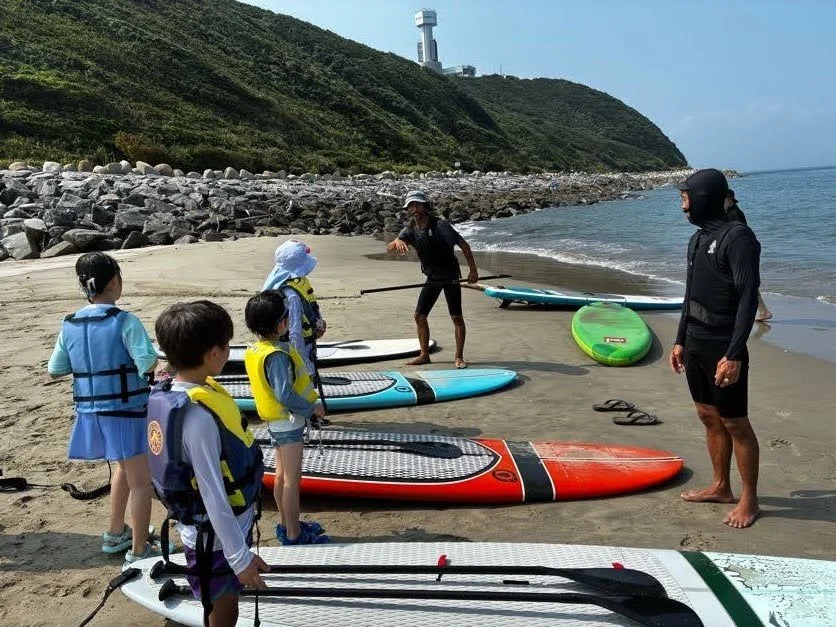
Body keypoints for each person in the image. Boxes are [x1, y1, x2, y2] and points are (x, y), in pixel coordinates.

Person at [149, 300, 268, 626]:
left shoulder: (186, 392)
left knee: (225, 603)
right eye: (227, 346)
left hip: (218, 537)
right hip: (212, 541)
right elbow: (215, 497)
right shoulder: (198, 418)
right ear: (214, 353)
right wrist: (239, 559)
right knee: (224, 612)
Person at [47, 252, 160, 561]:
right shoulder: (125, 320)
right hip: (127, 411)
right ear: (114, 282)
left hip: (90, 414)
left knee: (123, 467)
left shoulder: (69, 323)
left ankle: (115, 532)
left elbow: (55, 368)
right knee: (141, 482)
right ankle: (139, 549)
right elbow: (147, 361)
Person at [670, 169, 762, 529]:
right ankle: (721, 486)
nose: (683, 206)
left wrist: (735, 353)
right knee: (708, 415)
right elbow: (690, 294)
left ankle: (749, 500)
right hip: (695, 343)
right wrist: (679, 339)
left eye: (685, 197)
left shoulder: (738, 238)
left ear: (703, 198)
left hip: (724, 345)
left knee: (735, 422)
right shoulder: (696, 240)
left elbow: (747, 298)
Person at [243, 290, 329, 546]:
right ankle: (293, 533)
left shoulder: (260, 349)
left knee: (281, 477)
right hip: (288, 423)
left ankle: (286, 523)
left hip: (277, 423)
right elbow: (284, 394)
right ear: (281, 323)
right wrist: (311, 408)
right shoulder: (278, 355)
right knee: (292, 479)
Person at [387, 190, 479, 369]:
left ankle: (459, 357)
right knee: (419, 315)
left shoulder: (440, 225)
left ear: (425, 206)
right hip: (432, 277)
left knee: (456, 317)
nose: (415, 209)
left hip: (450, 275)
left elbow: (464, 245)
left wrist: (473, 272)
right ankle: (424, 355)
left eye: (418, 205)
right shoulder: (410, 229)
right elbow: (389, 248)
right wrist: (397, 241)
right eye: (411, 206)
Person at [262, 240, 326, 380]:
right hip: (294, 351)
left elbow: (311, 308)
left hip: (293, 345)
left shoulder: (278, 283)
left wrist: (319, 322)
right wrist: (305, 366)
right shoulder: (292, 295)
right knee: (297, 384)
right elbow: (295, 333)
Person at [725, 189, 773, 322]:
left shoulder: (733, 214)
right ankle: (763, 311)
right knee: (746, 283)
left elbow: (734, 236)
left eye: (722, 199)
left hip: (744, 251)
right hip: (744, 250)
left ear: (729, 199)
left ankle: (760, 311)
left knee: (744, 283)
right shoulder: (732, 212)